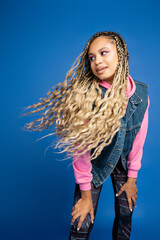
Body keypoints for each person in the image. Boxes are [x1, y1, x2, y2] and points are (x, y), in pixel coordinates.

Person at [23, 31, 150, 240]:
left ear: (121, 55)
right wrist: (85, 195)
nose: (97, 61)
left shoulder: (140, 94)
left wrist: (132, 179)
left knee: (127, 211)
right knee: (82, 221)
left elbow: (138, 140)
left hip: (121, 161)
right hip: (93, 164)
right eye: (92, 57)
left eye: (103, 53)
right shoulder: (88, 96)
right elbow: (80, 149)